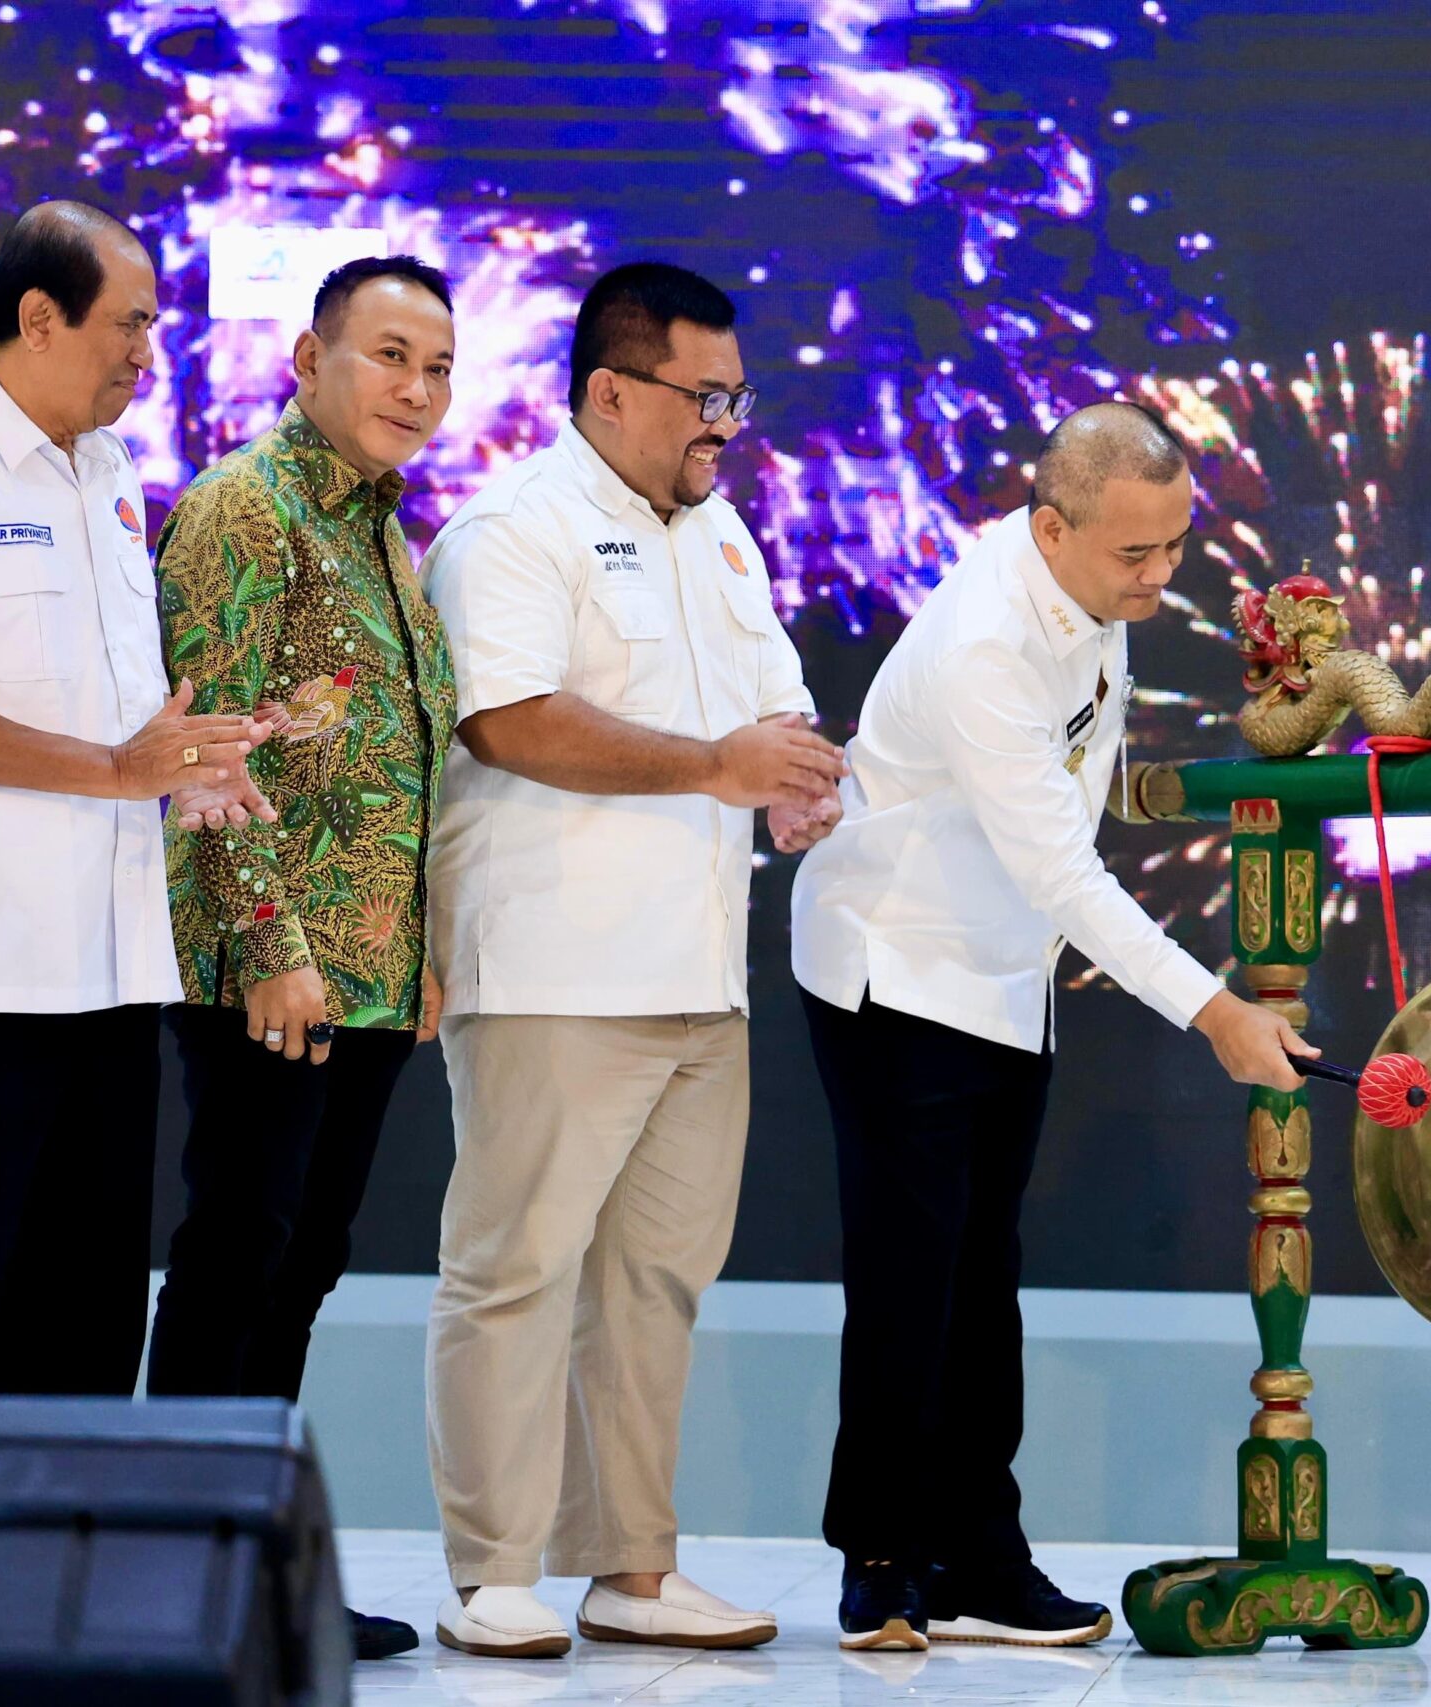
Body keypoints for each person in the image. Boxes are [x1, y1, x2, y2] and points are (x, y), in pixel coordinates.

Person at [789, 401, 1319, 1651]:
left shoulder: (1092, 600)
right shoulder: (985, 637)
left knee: (985, 1278)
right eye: (1135, 554)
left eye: (1176, 548)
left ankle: (978, 1555)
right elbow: (1061, 873)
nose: (1159, 577)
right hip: (896, 970)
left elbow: (1062, 797)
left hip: (1001, 975)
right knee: (911, 1276)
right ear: (1048, 525)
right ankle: (879, 1558)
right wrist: (1215, 1012)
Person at [417, 262, 842, 1658]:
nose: (727, 423)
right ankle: (491, 1567)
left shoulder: (723, 540)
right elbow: (510, 722)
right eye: (701, 396)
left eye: (738, 395)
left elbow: (775, 704)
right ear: (609, 390)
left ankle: (630, 1567)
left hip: (698, 975)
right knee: (517, 1267)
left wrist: (795, 775)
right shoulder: (513, 529)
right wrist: (718, 763)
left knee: (653, 1279)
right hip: (551, 965)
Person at [0, 201, 269, 1400]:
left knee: (81, 1330)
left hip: (115, 971)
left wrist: (190, 764)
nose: (147, 352)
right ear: (39, 317)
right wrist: (117, 771)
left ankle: (41, 1590)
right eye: (129, 323)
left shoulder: (113, 475)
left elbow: (118, 718)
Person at [147, 254, 461, 1663]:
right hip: (269, 972)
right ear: (307, 357)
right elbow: (203, 746)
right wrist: (272, 945)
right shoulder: (242, 508)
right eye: (389, 354)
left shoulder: (390, 529)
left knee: (305, 1259)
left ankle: (260, 1570)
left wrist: (423, 944)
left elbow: (402, 760)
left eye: (439, 365)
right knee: (237, 1255)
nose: (416, 387)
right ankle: (176, 1580)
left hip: (374, 976)